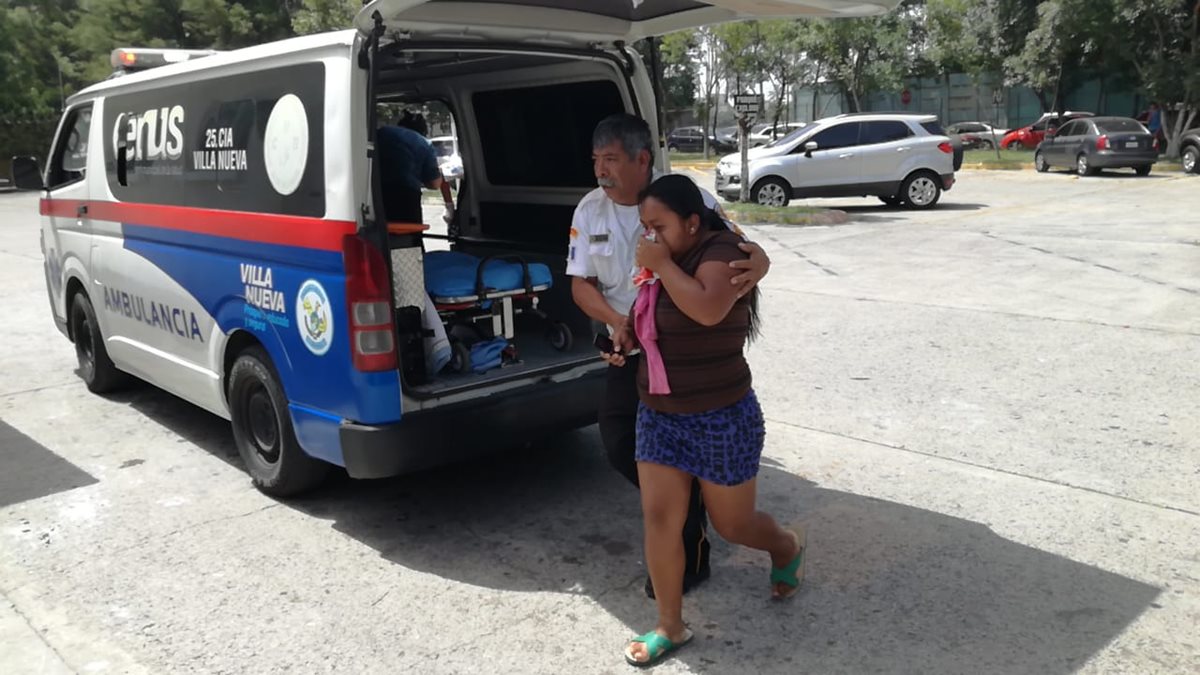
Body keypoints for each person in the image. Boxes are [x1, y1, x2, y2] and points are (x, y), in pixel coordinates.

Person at [565, 113, 770, 600]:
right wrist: (618, 325)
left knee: (682, 471)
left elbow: (734, 249)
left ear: (642, 159)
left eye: (611, 159)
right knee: (617, 443)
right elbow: (580, 284)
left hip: (685, 349)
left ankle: (687, 549)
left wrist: (761, 258)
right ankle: (687, 499)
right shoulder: (589, 209)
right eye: (596, 160)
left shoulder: (684, 197)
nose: (601, 170)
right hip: (630, 340)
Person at [613, 175, 804, 667]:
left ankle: (784, 546)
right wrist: (627, 338)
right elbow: (655, 319)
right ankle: (670, 626)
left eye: (658, 226)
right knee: (660, 520)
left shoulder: (724, 251)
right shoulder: (665, 259)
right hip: (659, 413)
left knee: (733, 525)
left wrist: (658, 264)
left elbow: (708, 308)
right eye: (644, 228)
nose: (649, 237)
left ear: (692, 223)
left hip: (721, 417)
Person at [377, 111, 455, 224]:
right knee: (411, 237)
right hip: (407, 197)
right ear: (423, 131)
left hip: (376, 193)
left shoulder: (382, 132)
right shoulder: (424, 143)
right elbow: (434, 184)